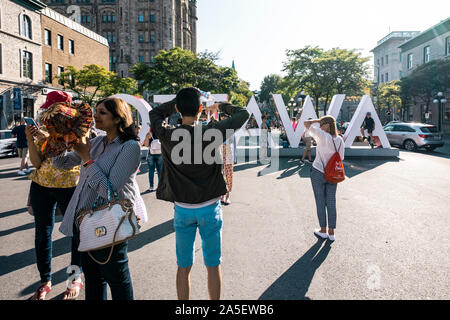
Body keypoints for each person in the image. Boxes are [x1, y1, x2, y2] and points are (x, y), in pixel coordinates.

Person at [149, 87, 249, 300]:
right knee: (213, 265)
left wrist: (175, 102)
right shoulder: (213, 131)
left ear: (177, 108)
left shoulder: (168, 134)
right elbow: (244, 114)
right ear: (201, 108)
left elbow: (154, 114)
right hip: (210, 208)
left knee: (183, 266)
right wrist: (220, 105)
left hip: (182, 210)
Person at [52, 97, 144, 300]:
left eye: (102, 112)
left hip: (110, 223)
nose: (96, 116)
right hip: (83, 222)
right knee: (93, 280)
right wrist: (58, 138)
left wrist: (86, 158)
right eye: (96, 111)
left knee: (117, 279)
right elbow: (61, 163)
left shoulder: (129, 147)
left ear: (119, 118)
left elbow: (109, 192)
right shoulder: (95, 142)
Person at [25, 92, 84, 300]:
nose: (49, 113)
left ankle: (75, 277)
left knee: (76, 233)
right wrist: (31, 140)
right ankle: (45, 280)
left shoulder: (78, 130)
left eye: (54, 108)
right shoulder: (43, 131)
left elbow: (79, 155)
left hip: (70, 186)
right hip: (41, 185)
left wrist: (52, 138)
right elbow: (36, 163)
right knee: (42, 234)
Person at [304, 116, 345, 242]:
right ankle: (331, 232)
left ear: (327, 125)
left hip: (318, 171)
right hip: (333, 174)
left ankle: (323, 230)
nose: (320, 126)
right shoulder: (339, 140)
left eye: (322, 124)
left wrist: (316, 120)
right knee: (331, 201)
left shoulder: (322, 136)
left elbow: (306, 123)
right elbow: (341, 158)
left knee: (320, 201)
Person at [219, 113, 234, 205]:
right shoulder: (219, 127)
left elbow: (231, 143)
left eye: (226, 117)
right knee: (220, 174)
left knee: (228, 174)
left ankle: (227, 196)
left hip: (228, 151)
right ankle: (222, 195)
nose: (224, 119)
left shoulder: (231, 128)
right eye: (223, 117)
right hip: (220, 151)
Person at [142, 127, 162, 192]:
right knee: (160, 171)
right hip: (160, 154)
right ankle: (160, 187)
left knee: (151, 171)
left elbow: (147, 145)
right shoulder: (161, 133)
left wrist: (147, 137)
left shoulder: (149, 134)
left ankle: (151, 187)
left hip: (151, 155)